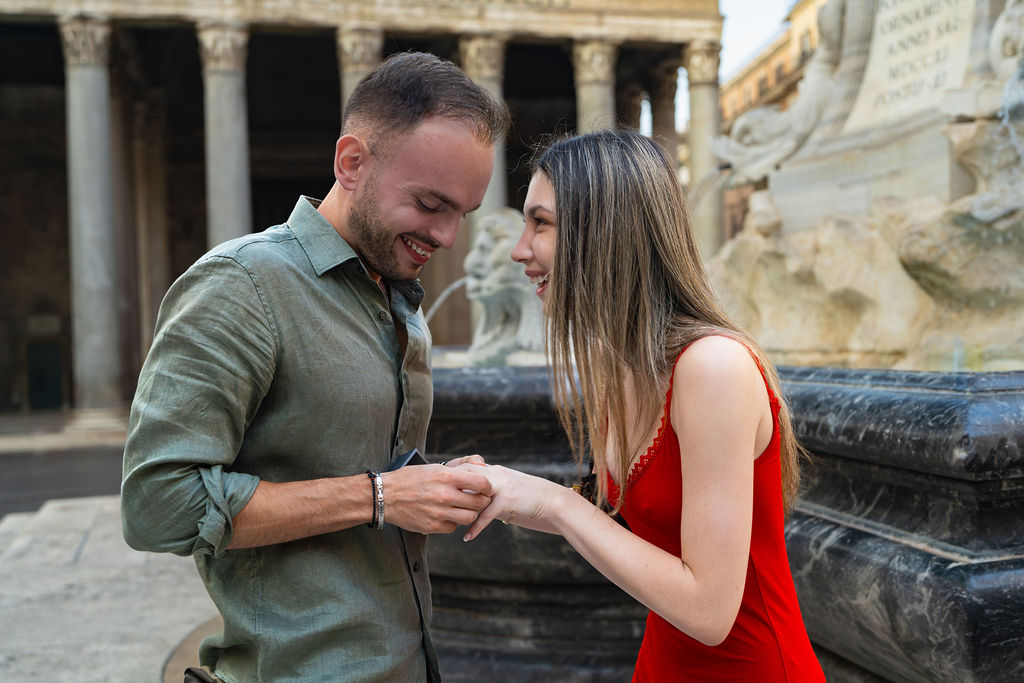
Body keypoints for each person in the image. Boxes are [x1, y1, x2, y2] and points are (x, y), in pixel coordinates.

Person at [121, 52, 509, 683]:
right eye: (430, 203)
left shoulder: (396, 293)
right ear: (351, 163)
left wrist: (424, 483)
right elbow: (155, 506)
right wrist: (380, 496)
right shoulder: (241, 285)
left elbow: (342, 467)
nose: (447, 238)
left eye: (462, 213)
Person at [461, 129, 825, 682]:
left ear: (605, 233)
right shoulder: (623, 365)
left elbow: (709, 611)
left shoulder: (712, 368)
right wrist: (505, 491)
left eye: (540, 223)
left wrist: (558, 505)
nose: (518, 250)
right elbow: (625, 527)